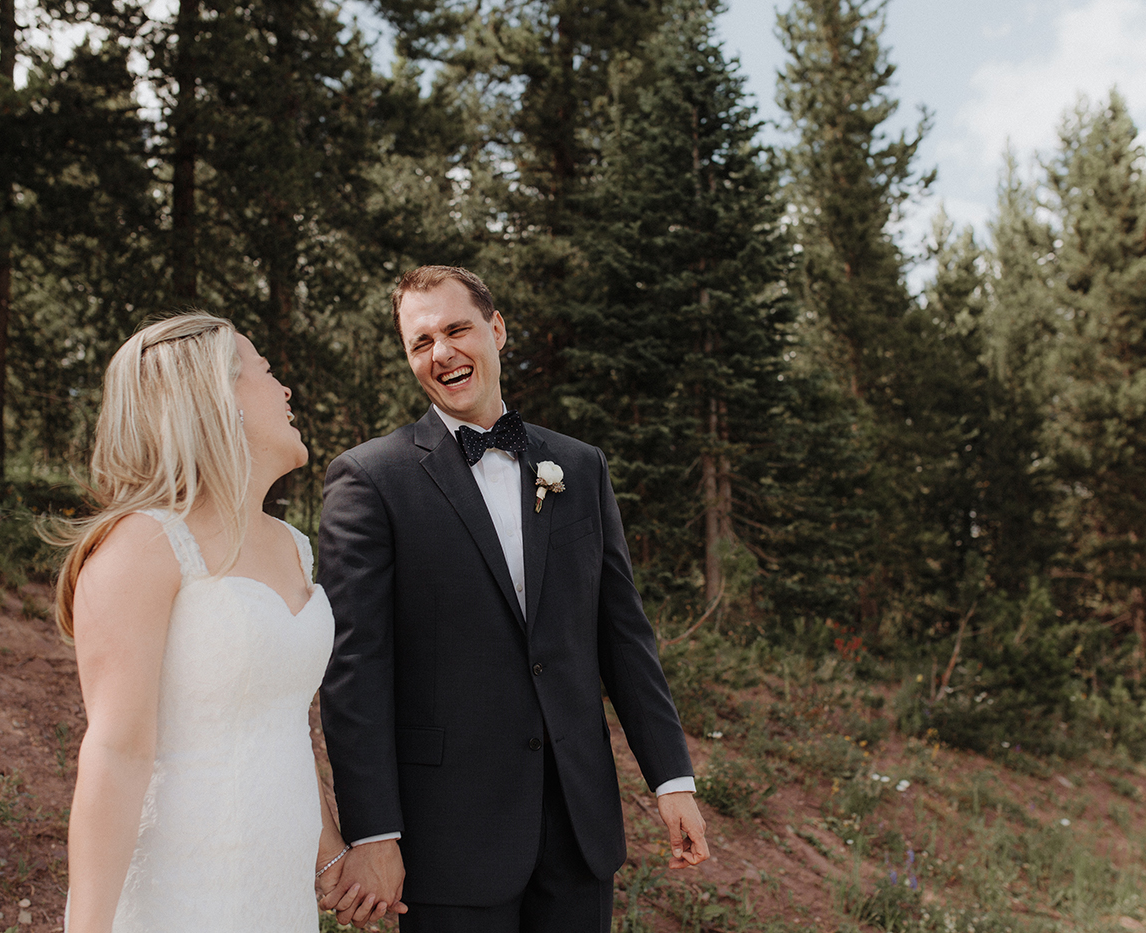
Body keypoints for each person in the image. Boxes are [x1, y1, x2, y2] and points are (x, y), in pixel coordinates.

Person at [317, 266, 710, 933]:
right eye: (420, 342)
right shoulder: (369, 480)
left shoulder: (580, 468)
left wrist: (672, 778)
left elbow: (623, 636)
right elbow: (354, 673)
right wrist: (374, 829)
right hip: (448, 839)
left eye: (455, 329)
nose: (440, 353)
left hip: (578, 833)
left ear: (496, 329)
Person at [55, 313, 371, 933]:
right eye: (267, 372)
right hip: (180, 888)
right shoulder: (142, 546)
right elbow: (115, 753)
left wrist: (329, 851)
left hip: (275, 893)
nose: (285, 391)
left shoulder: (292, 545)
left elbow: (277, 719)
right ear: (214, 397)